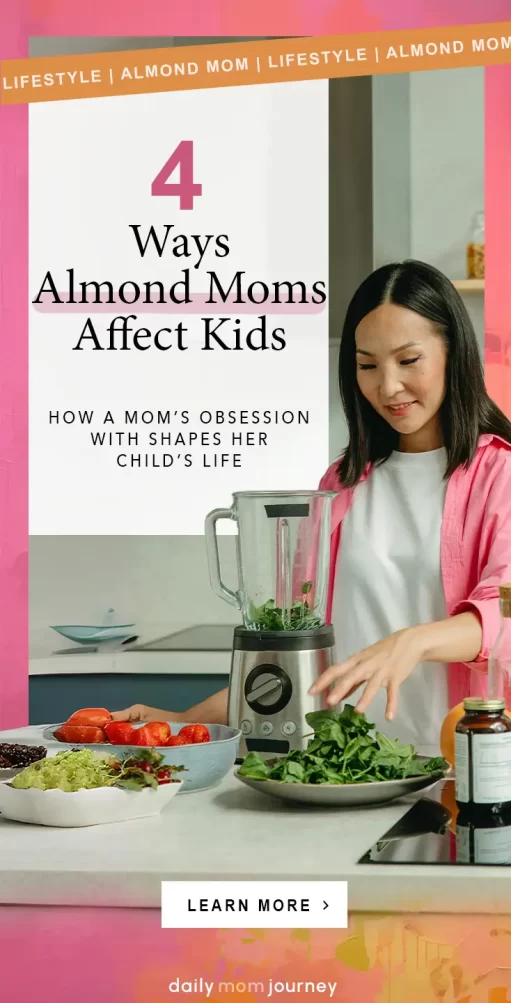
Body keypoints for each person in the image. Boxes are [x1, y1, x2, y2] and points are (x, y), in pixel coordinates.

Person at [112, 260, 511, 747]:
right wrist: (185, 722)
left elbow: (502, 615)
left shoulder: (500, 474)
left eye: (408, 361)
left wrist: (412, 642)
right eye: (367, 365)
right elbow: (298, 653)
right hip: (350, 765)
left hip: (461, 765)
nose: (387, 387)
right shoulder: (343, 482)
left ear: (455, 353)